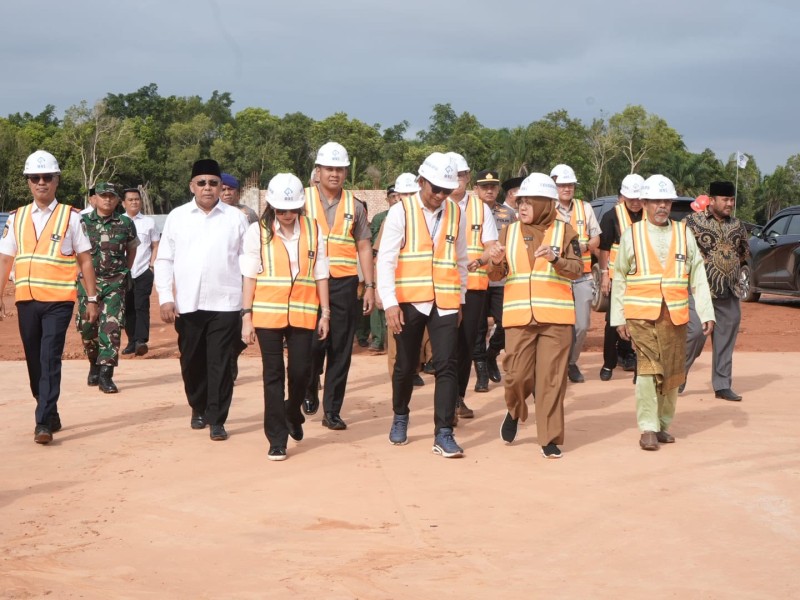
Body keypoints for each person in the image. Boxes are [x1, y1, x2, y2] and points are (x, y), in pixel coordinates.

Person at [0, 150, 98, 444]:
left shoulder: (71, 217)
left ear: (56, 180)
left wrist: (91, 299)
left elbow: (85, 260)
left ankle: (42, 422)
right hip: (26, 300)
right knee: (34, 362)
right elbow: (5, 260)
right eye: (35, 178)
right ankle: (49, 409)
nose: (41, 183)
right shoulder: (16, 218)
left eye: (47, 177)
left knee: (49, 357)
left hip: (58, 301)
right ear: (28, 182)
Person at [610, 175, 715, 451]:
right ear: (644, 203)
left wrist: (706, 312)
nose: (662, 206)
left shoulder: (684, 234)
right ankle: (647, 428)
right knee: (647, 371)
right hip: (641, 316)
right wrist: (618, 316)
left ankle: (662, 425)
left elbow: (698, 276)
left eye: (666, 201)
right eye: (656, 201)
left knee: (672, 373)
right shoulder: (631, 234)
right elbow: (619, 276)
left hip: (675, 315)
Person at [378, 152, 468, 458]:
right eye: (436, 190)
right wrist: (389, 303)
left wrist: (461, 300)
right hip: (408, 302)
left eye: (446, 190)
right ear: (421, 182)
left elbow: (462, 260)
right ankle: (400, 414)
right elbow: (386, 259)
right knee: (405, 365)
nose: (440, 196)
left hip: (445, 301)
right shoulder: (400, 212)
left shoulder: (456, 212)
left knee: (447, 365)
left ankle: (443, 432)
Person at [487, 173, 583, 459]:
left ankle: (549, 438)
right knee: (515, 376)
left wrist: (557, 259)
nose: (523, 206)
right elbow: (497, 274)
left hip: (556, 318)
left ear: (546, 203)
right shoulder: (509, 232)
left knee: (551, 380)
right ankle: (515, 411)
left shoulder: (565, 232)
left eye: (530, 201)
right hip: (518, 318)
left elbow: (577, 269)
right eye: (521, 201)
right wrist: (493, 261)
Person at [155, 159, 248, 441]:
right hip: (188, 303)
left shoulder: (236, 218)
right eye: (202, 183)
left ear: (222, 187)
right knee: (192, 362)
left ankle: (217, 418)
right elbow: (164, 259)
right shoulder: (177, 216)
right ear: (192, 186)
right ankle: (198, 406)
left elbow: (247, 261)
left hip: (226, 303)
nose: (208, 188)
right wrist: (165, 297)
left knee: (221, 362)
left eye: (213, 183)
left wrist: (247, 306)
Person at [240, 173, 331, 461]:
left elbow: (321, 274)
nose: (287, 215)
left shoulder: (314, 229)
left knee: (302, 372)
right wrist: (246, 315)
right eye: (281, 210)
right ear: (271, 207)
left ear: (301, 207)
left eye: (292, 209)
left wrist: (325, 312)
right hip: (267, 313)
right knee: (273, 375)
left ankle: (292, 413)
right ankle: (276, 439)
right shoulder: (258, 231)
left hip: (304, 312)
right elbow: (249, 275)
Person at [302, 142, 375, 430]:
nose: (334, 174)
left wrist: (369, 285)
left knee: (341, 348)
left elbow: (365, 246)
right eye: (329, 168)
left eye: (339, 169)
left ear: (345, 173)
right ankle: (309, 386)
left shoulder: (355, 206)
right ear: (317, 171)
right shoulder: (301, 201)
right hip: (308, 282)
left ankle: (332, 409)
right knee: (310, 345)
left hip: (344, 284)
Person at [683, 181, 750, 401]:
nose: (730, 204)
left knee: (725, 340)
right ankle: (676, 377)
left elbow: (743, 253)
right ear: (711, 200)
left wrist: (732, 275)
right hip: (698, 292)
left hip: (728, 293)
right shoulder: (691, 223)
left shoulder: (738, 225)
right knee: (694, 335)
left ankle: (722, 385)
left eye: (732, 200)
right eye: (725, 200)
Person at [76, 182, 139, 393]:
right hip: (87, 284)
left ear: (117, 200)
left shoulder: (125, 223)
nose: (108, 200)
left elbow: (131, 250)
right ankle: (94, 363)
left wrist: (124, 272)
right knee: (87, 328)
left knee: (111, 327)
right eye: (103, 196)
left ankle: (106, 375)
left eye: (112, 196)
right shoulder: (81, 222)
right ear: (95, 198)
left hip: (114, 283)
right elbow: (73, 252)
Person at [451, 160, 498, 417]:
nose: (458, 178)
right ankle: (445, 400)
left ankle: (457, 397)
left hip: (474, 286)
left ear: (468, 177)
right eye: (454, 174)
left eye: (462, 174)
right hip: (443, 286)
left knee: (466, 345)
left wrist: (480, 260)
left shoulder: (481, 209)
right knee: (446, 346)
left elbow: (491, 245)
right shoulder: (437, 205)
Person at [377, 174, 428, 388]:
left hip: (421, 292)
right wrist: (382, 292)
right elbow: (379, 258)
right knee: (396, 338)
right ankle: (397, 379)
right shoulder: (393, 218)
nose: (405, 198)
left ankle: (413, 370)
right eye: (402, 194)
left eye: (410, 194)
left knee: (418, 339)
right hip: (396, 293)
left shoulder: (427, 218)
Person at [550, 164, 600, 384]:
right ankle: (556, 365)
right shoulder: (547, 208)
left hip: (581, 275)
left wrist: (584, 246)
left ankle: (571, 362)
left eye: (570, 184)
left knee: (580, 324)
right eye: (562, 185)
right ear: (554, 185)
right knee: (557, 325)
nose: (566, 189)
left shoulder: (585, 207)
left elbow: (597, 238)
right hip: (556, 276)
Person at [473, 170, 518, 391]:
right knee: (478, 328)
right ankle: (481, 372)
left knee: (506, 323)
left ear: (498, 189)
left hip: (500, 278)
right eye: (484, 187)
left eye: (492, 186)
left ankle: (492, 354)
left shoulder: (507, 213)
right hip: (477, 279)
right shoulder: (468, 212)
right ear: (476, 189)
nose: (489, 190)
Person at [597, 174, 644, 381]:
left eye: (638, 198)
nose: (635, 202)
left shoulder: (649, 215)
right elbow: (604, 249)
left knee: (638, 320)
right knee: (613, 321)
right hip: (617, 277)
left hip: (642, 279)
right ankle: (608, 362)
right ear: (623, 196)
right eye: (631, 198)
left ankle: (630, 356)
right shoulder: (611, 216)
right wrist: (605, 275)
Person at [220, 173, 257, 382]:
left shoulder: (248, 214)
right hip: (223, 276)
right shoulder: (213, 213)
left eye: (230, 190)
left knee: (244, 321)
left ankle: (233, 353)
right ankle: (226, 363)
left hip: (245, 276)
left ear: (237, 192)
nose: (226, 193)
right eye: (223, 189)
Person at [122, 187, 159, 357]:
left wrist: (151, 266)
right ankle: (131, 341)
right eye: (130, 200)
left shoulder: (149, 222)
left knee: (141, 305)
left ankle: (141, 341)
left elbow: (155, 245)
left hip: (143, 270)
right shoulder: (118, 222)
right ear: (123, 203)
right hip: (124, 272)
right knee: (128, 307)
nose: (134, 202)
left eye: (137, 199)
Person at [367, 184, 401, 354]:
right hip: (381, 261)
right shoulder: (380, 218)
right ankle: (378, 340)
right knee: (379, 302)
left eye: (398, 196)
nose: (396, 200)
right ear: (387, 199)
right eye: (392, 197)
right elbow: (373, 242)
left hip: (402, 268)